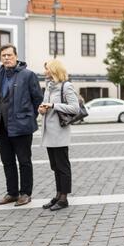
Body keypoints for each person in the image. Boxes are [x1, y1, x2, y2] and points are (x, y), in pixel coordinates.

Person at [0, 44, 44, 207]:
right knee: (7, 161)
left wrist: (28, 117)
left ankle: (25, 193)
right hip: (1, 126)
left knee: (24, 161)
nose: (6, 58)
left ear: (16, 56)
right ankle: (12, 193)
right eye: (3, 55)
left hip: (22, 126)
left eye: (9, 55)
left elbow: (37, 99)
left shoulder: (28, 75)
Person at [38, 59, 79, 211]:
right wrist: (41, 109)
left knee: (63, 166)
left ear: (54, 70)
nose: (45, 72)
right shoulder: (49, 87)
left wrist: (54, 105)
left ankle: (64, 198)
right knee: (55, 166)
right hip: (48, 132)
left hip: (60, 132)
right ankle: (57, 195)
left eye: (47, 69)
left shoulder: (66, 86)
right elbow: (44, 105)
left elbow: (75, 108)